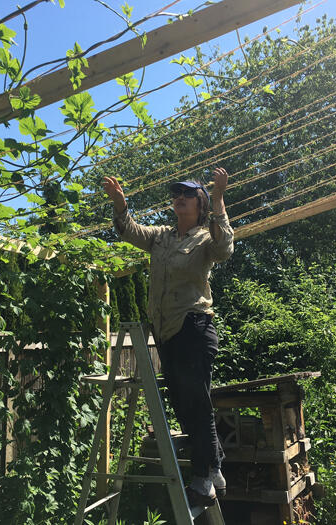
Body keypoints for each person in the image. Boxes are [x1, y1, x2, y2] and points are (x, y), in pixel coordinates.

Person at [102, 168, 234, 507]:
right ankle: (215, 467)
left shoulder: (205, 238)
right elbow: (129, 231)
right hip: (166, 332)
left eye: (187, 194)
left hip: (193, 327)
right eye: (176, 194)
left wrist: (220, 197)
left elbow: (224, 248)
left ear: (201, 204)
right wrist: (120, 204)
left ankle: (203, 479)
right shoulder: (160, 236)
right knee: (182, 403)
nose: (179, 198)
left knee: (196, 402)